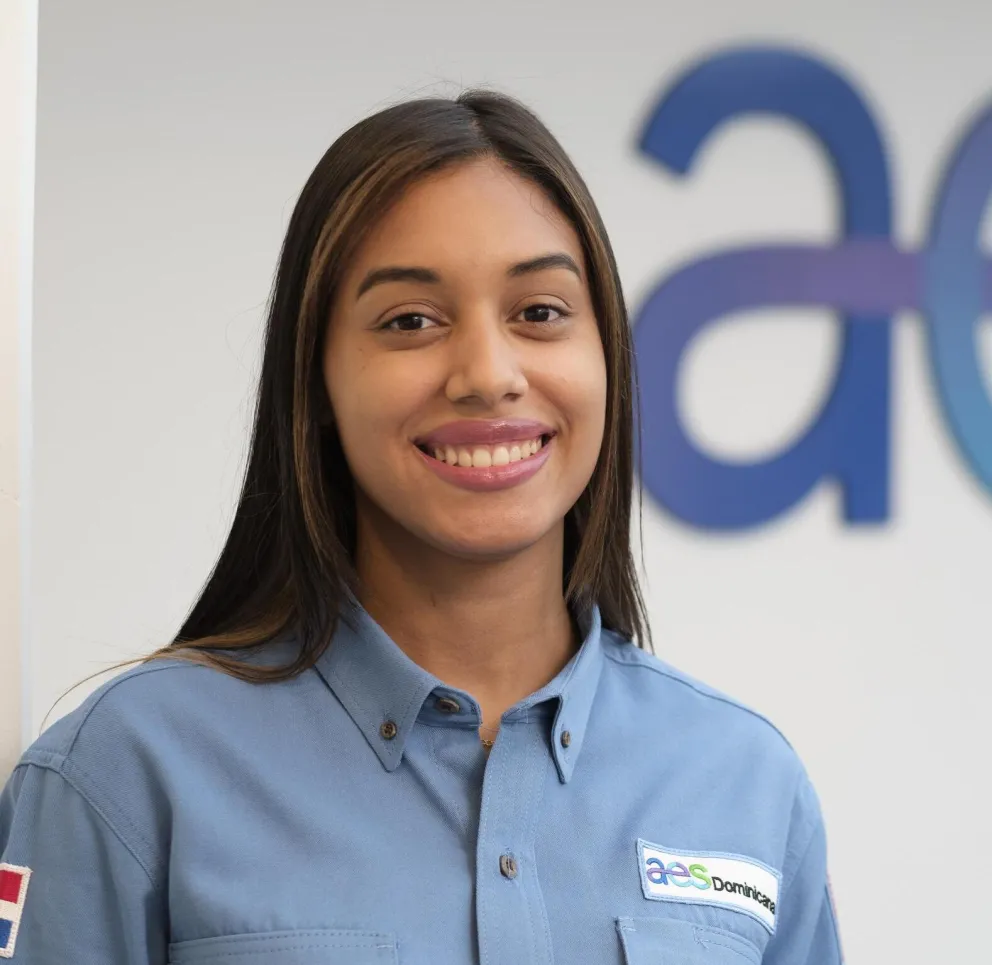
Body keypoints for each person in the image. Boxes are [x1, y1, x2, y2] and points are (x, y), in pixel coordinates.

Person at [0, 90, 842, 964]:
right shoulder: (125, 774)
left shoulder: (745, 781)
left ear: (610, 359)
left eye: (540, 312)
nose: (488, 374)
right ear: (316, 380)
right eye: (411, 321)